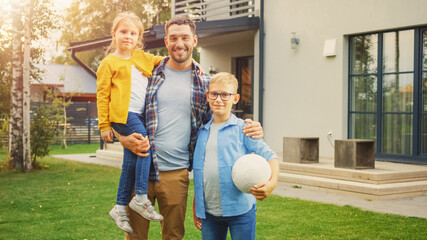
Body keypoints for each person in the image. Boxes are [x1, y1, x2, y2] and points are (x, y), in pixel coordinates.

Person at [114, 15, 264, 240]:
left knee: (173, 235)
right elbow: (120, 107)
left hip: (176, 173)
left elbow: (220, 117)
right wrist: (121, 137)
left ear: (195, 41)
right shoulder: (147, 73)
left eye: (185, 37)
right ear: (166, 42)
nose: (179, 43)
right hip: (140, 169)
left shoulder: (205, 84)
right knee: (134, 236)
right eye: (173, 38)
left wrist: (250, 128)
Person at [96, 12, 164, 234]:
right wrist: (104, 126)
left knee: (130, 163)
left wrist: (192, 62)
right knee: (145, 147)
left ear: (139, 38)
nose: (128, 36)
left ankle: (119, 206)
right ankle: (141, 197)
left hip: (139, 114)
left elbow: (165, 61)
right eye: (123, 32)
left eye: (133, 33)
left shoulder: (142, 57)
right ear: (114, 34)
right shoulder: (108, 63)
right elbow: (102, 95)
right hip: (123, 115)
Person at [191, 72, 279, 240]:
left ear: (235, 98)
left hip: (240, 210)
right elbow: (202, 172)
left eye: (225, 94)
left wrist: (272, 184)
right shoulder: (202, 133)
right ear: (207, 96)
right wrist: (197, 205)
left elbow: (270, 156)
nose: (218, 99)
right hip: (209, 213)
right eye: (214, 94)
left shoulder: (244, 129)